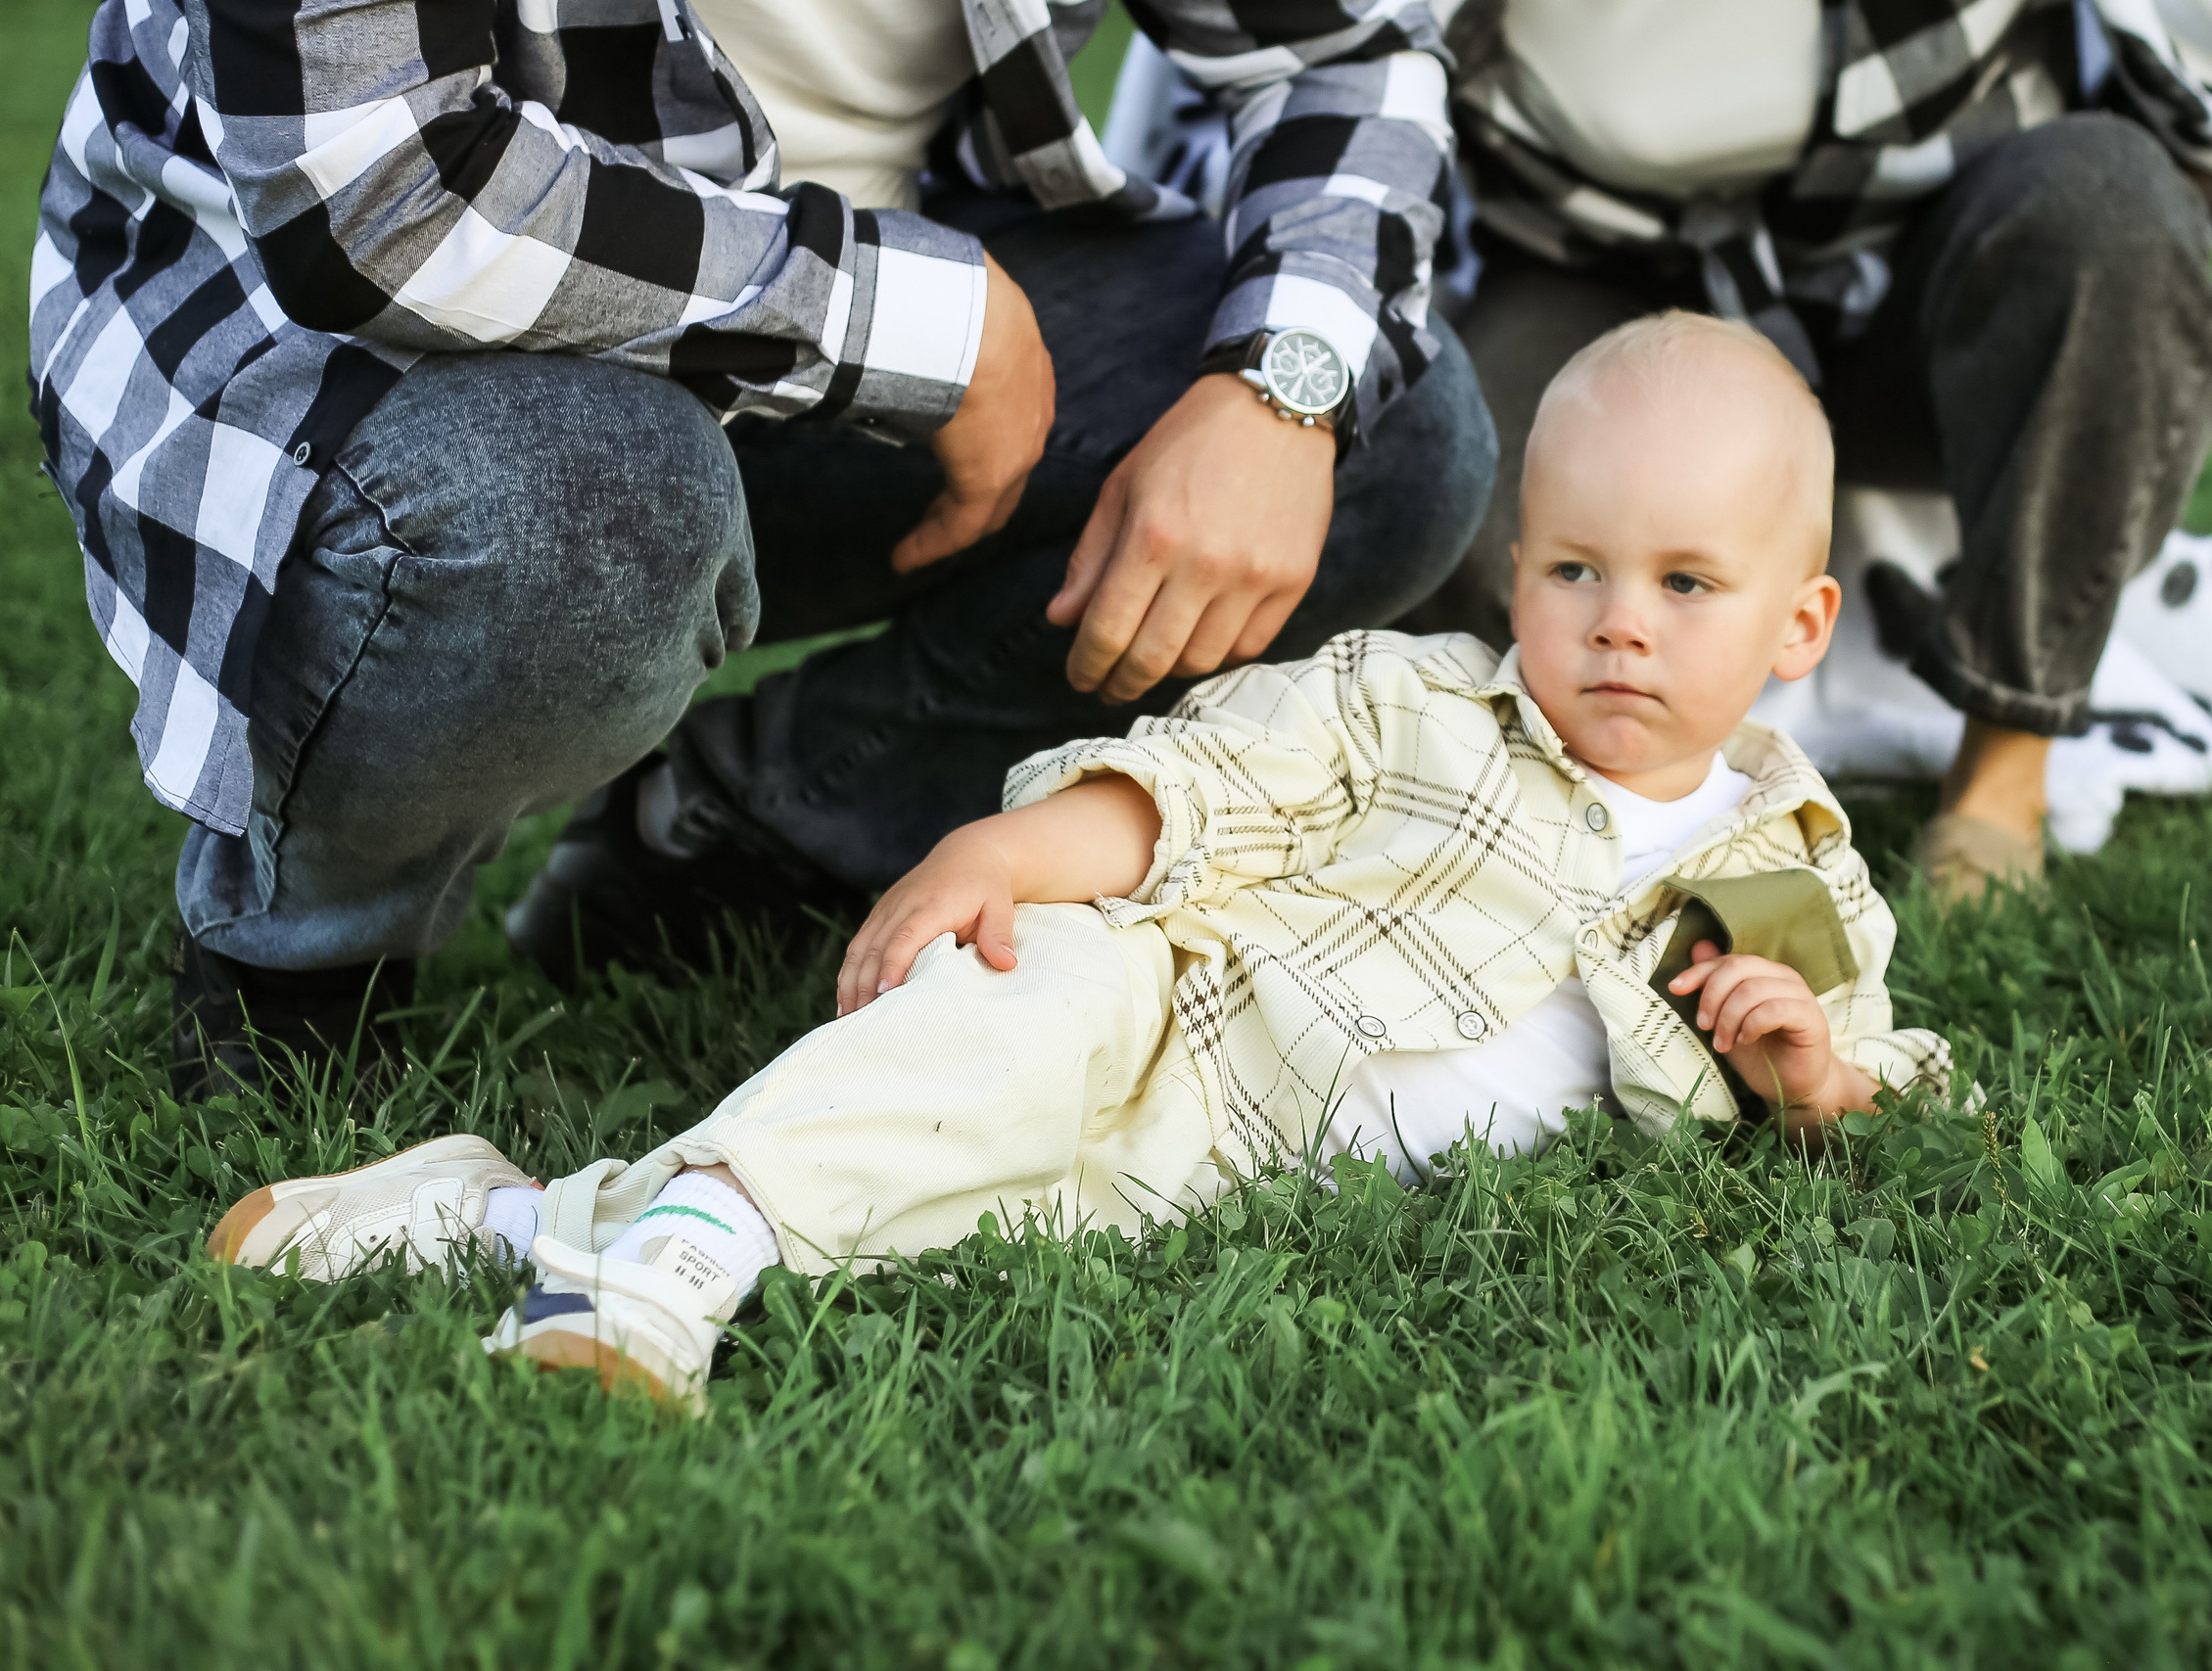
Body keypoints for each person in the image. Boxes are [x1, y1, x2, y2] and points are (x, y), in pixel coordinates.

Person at [206, 313, 1954, 1409]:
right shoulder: (1415, 697)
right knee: (1009, 1038)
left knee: (932, 1212)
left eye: (1685, 584)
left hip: (1217, 1161)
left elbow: (1881, 1067)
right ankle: (678, 1259)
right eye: (1574, 569)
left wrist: (1811, 1074)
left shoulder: (1791, 875)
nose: (1618, 622)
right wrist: (1010, 849)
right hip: (1167, 1005)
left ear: (1801, 624)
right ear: (1519, 574)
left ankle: (500, 1213)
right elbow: (1205, 779)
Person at [29, 0, 1495, 1101]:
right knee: (593, 500)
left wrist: (1281, 389)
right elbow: (380, 194)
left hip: (872, 305)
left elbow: (1347, 47)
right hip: (362, 366)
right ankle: (303, 958)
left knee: (1391, 437)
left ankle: (736, 833)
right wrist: (915, 322)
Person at [1398, 0, 2212, 903]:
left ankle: (2005, 757)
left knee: (2111, 205)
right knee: (1461, 488)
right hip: (1600, 255)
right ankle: (1596, 802)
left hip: (1928, 246)